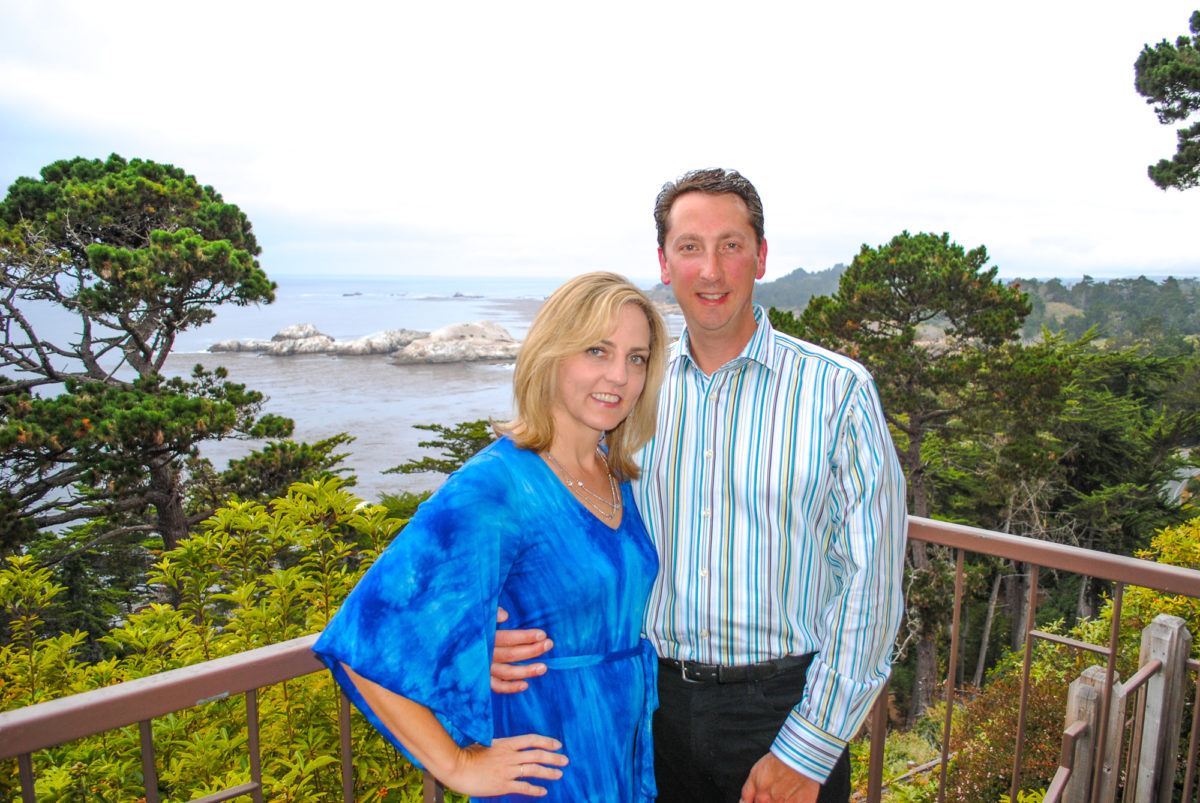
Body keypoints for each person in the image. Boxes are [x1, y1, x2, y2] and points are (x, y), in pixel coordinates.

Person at [492, 169, 907, 803]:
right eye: (689, 247)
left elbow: (869, 585)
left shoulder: (837, 393)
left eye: (731, 244)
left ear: (761, 256)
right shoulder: (628, 391)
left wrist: (811, 747)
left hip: (783, 710)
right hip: (647, 708)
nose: (710, 270)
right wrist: (491, 623)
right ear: (664, 262)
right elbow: (548, 509)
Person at [313, 271, 668, 801]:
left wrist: (477, 644)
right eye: (597, 350)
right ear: (551, 354)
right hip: (547, 768)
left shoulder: (613, 474)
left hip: (617, 753)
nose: (618, 375)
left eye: (636, 358)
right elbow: (366, 639)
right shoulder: (497, 485)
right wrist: (457, 765)